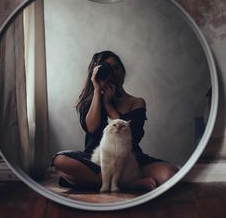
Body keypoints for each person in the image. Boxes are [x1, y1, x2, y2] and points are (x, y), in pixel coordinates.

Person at [52, 50, 179, 191]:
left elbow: (132, 135)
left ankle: (89, 182)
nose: (112, 73)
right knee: (60, 160)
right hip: (97, 159)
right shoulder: (90, 101)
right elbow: (92, 128)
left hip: (130, 159)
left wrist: (108, 105)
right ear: (96, 72)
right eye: (106, 68)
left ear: (123, 71)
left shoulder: (136, 102)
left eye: (116, 68)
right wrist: (96, 91)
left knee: (170, 175)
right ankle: (123, 184)